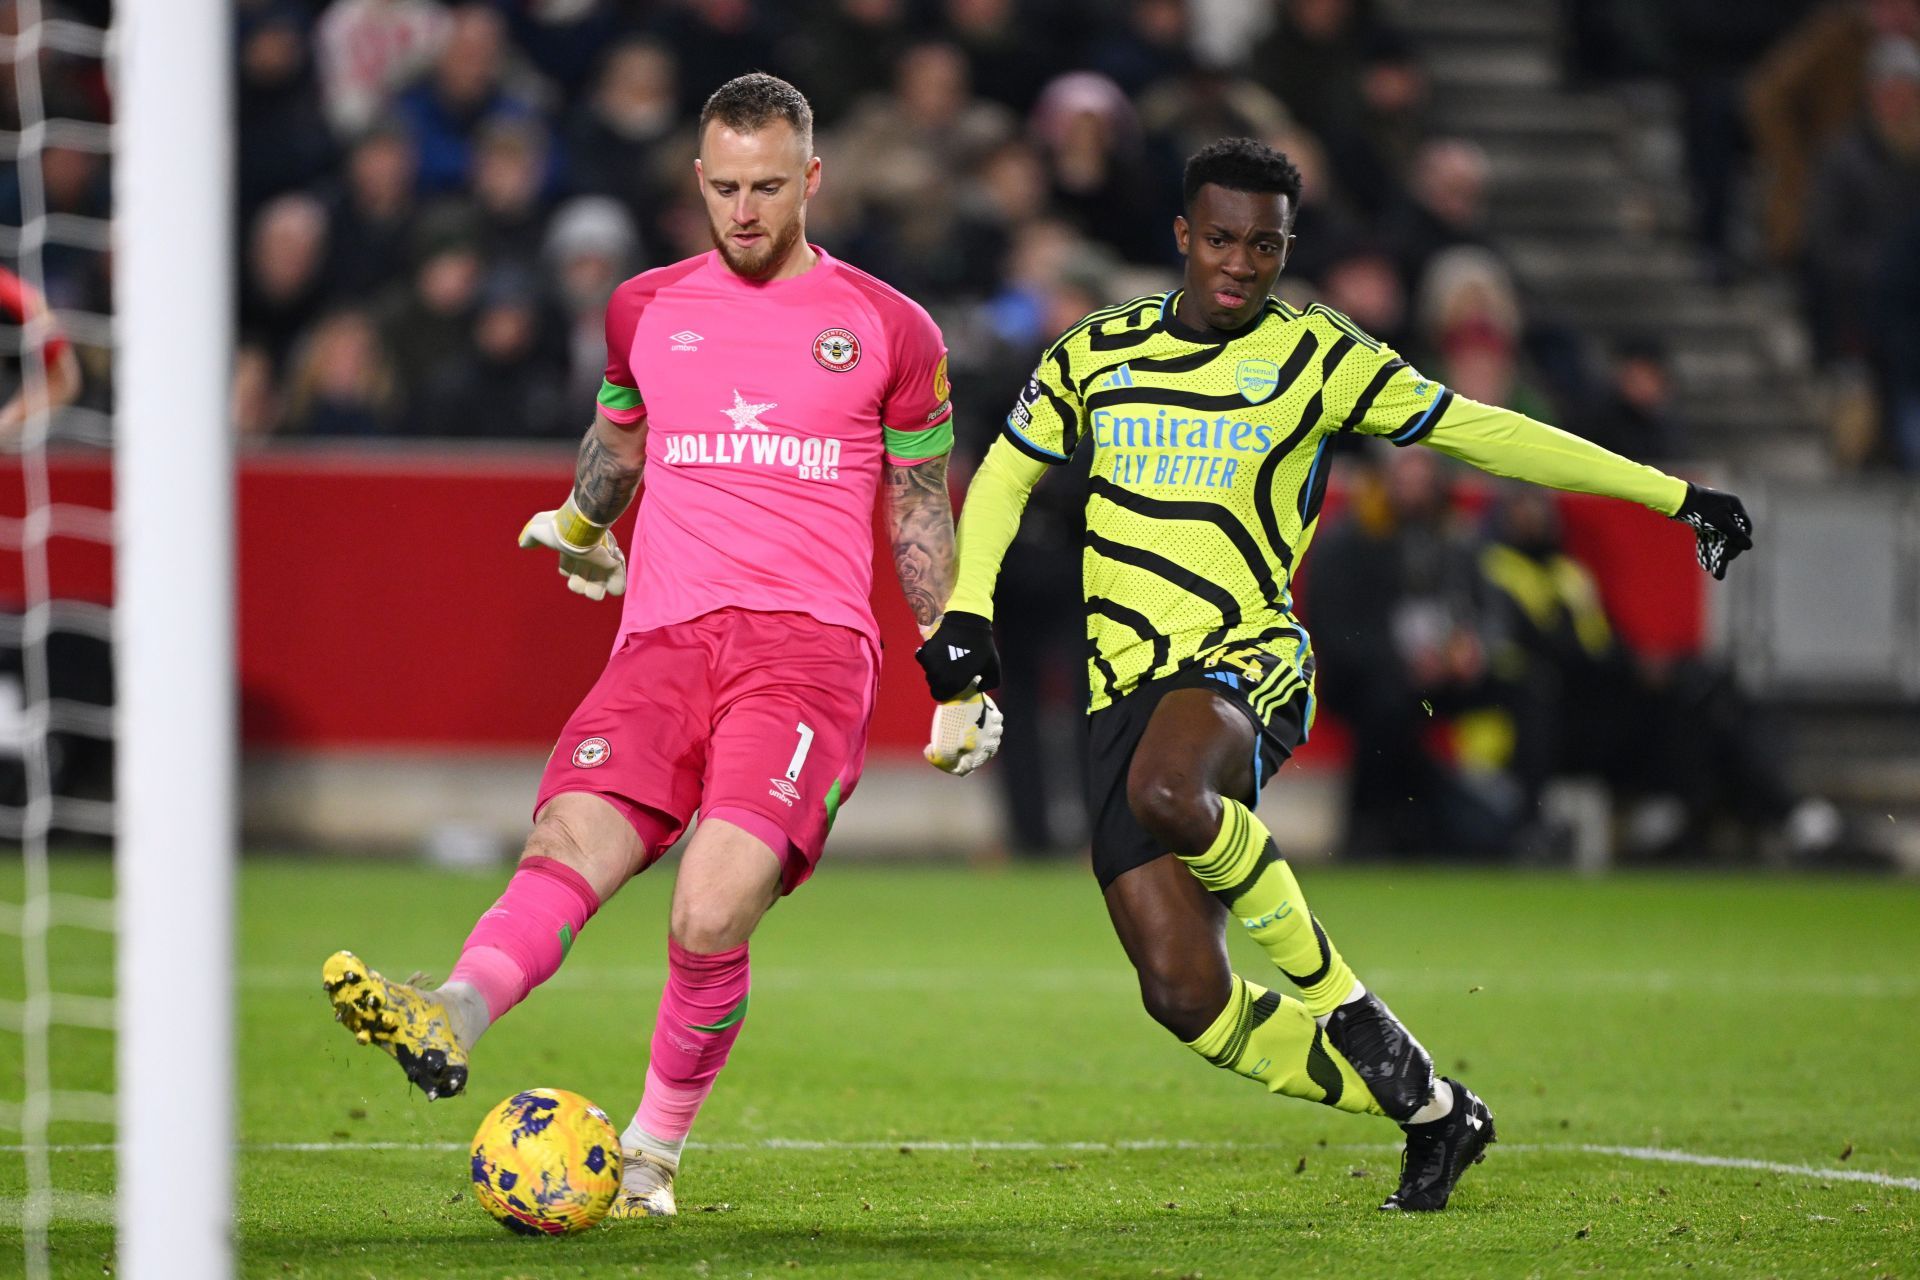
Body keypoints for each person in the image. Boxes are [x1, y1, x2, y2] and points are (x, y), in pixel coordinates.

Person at [917, 138, 1754, 1213]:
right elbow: (1007, 477)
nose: (1240, 263)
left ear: (1287, 247)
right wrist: (969, 607)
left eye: (1264, 244)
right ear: (1183, 236)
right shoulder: (1096, 351)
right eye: (1220, 239)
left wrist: (1673, 494)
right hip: (1120, 686)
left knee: (1173, 790)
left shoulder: (1319, 354)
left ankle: (1352, 1011)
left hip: (1245, 662)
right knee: (1185, 997)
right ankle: (1433, 1108)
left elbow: (1483, 433)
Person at [323, 74, 1002, 1219]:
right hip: (663, 641)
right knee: (567, 839)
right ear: (698, 180)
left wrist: (955, 667)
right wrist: (582, 523)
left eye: (769, 188)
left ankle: (649, 1154)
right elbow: (620, 432)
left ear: (813, 180)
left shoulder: (892, 329)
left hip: (807, 652)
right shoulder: (643, 306)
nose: (744, 211)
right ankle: (453, 1008)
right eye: (726, 188)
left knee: (708, 906)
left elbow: (919, 505)